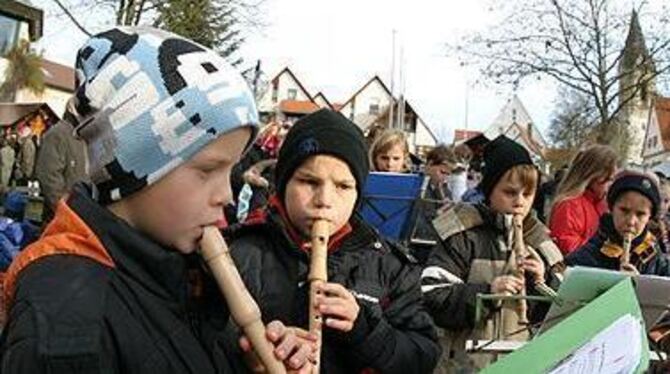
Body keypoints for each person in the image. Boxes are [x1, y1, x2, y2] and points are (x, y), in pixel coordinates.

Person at [0, 27, 314, 373]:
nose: (226, 195)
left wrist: (244, 362)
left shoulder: (176, 263)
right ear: (133, 168)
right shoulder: (67, 328)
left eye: (231, 169)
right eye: (208, 170)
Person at [224, 108, 440, 373]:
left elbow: (423, 356)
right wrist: (249, 357)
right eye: (309, 181)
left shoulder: (389, 265)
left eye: (342, 186)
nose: (324, 200)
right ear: (283, 184)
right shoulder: (238, 254)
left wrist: (365, 330)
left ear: (358, 193)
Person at [421, 135, 563, 371]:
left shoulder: (541, 241)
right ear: (490, 190)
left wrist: (542, 280)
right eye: (510, 192)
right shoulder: (463, 234)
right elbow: (433, 296)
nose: (520, 202)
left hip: (522, 363)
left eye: (528, 194)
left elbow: (564, 309)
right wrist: (487, 293)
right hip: (465, 364)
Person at [565, 171, 670, 276]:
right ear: (612, 209)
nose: (631, 221)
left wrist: (640, 286)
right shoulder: (586, 257)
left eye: (640, 214)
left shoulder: (656, 259)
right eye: (624, 210)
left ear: (649, 217)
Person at [549, 145, 618, 254]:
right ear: (593, 177)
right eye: (609, 179)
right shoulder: (569, 205)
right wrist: (606, 250)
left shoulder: (602, 204)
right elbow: (568, 247)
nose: (612, 185)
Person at [34, 98, 89, 223]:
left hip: (84, 212)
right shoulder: (58, 134)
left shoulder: (84, 134)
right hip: (64, 215)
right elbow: (48, 176)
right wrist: (61, 208)